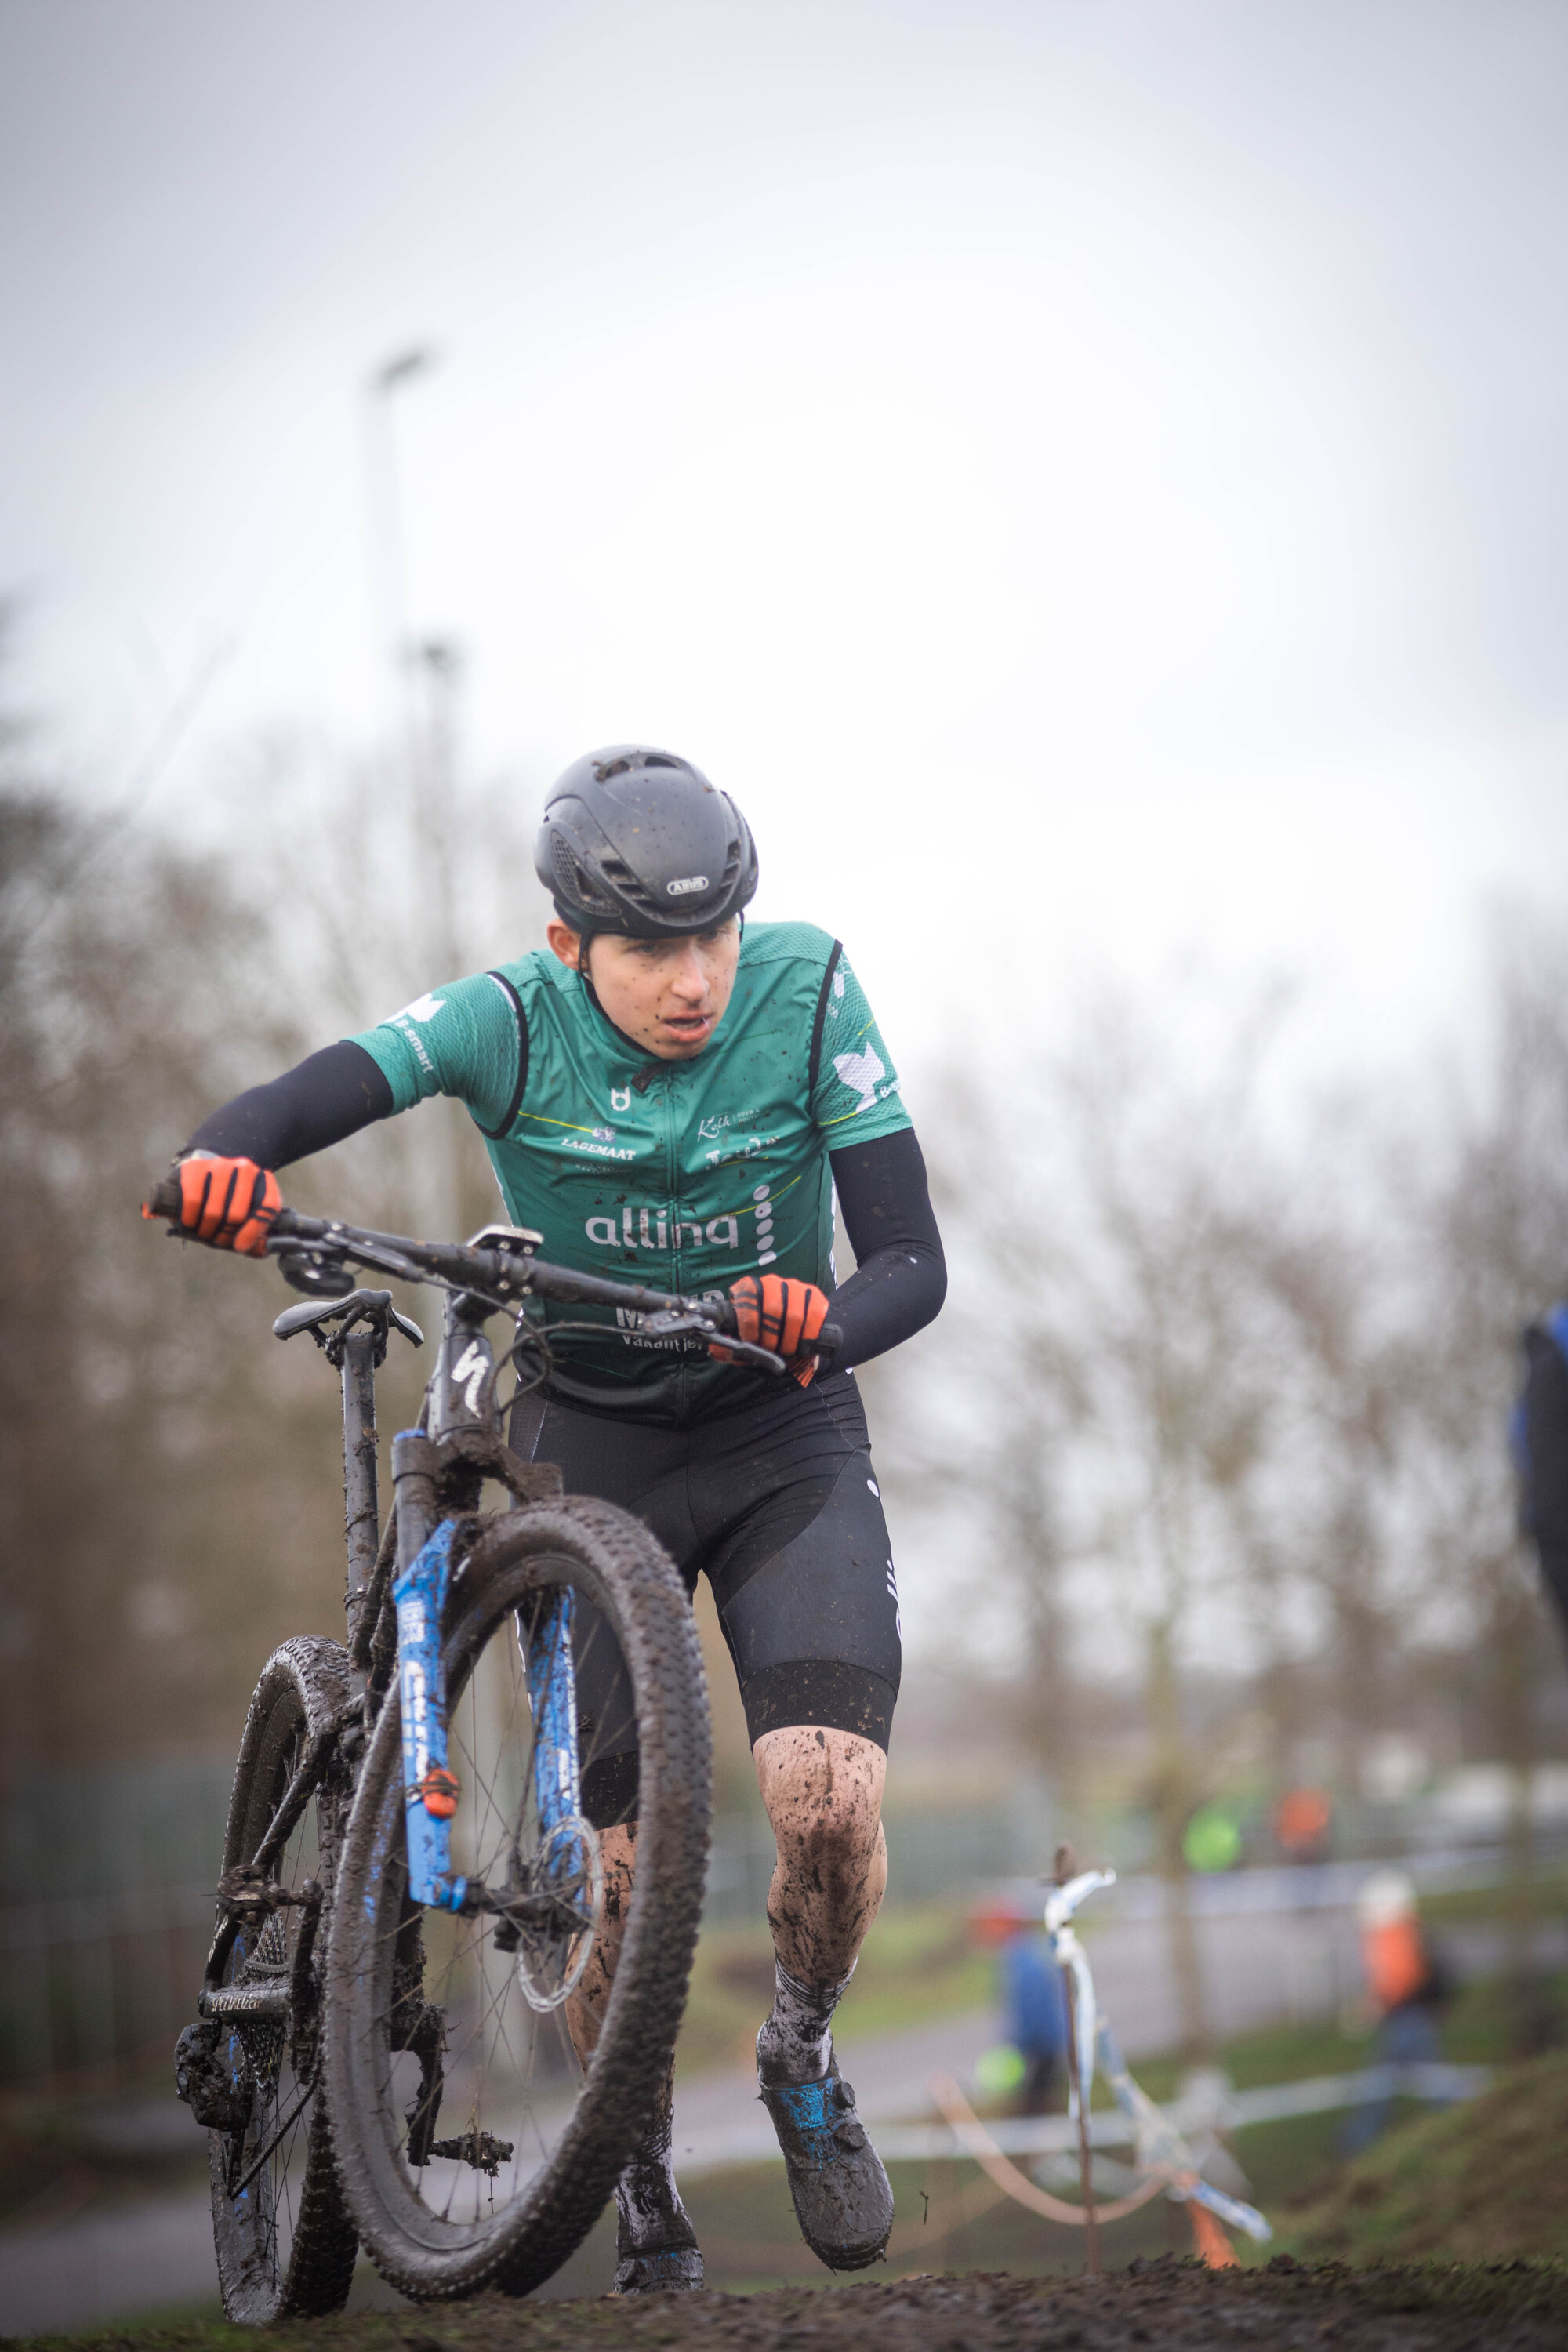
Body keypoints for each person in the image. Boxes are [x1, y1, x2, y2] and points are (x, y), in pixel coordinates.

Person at [154, 746, 946, 2293]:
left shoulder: (809, 994)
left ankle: (799, 2054)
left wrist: (824, 1322)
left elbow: (911, 1258)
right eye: (652, 947)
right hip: (590, 1436)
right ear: (570, 944)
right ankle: (629, 2154)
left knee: (831, 1812)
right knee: (619, 1876)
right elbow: (337, 1076)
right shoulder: (507, 1020)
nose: (693, 976)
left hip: (782, 1426)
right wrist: (227, 1154)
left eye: (716, 934)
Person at [1342, 1868, 1446, 2150]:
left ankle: (1358, 2139)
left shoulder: (1393, 1934)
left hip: (1406, 2015)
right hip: (1406, 2013)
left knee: (1395, 2077)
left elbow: (1401, 1977)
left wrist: (1376, 2005)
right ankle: (1359, 2137)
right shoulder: (1397, 1931)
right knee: (1413, 2074)